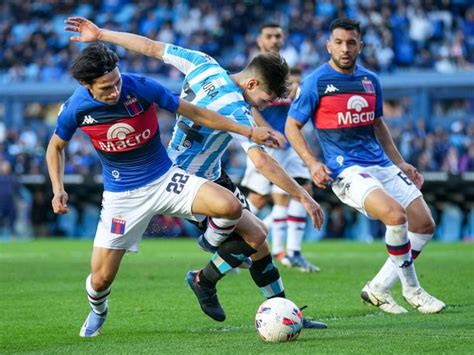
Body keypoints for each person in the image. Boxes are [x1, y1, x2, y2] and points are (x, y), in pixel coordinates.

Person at [64, 17, 326, 328]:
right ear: (252, 84)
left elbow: (150, 46)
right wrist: (303, 196)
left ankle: (278, 307)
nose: (265, 107)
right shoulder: (236, 108)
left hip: (208, 173)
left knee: (258, 240)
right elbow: (263, 163)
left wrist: (101, 34)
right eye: (267, 100)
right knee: (253, 236)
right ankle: (205, 275)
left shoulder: (203, 62)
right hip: (188, 179)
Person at [46, 42, 282, 337]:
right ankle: (98, 311)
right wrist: (58, 189)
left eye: (116, 81)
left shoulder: (141, 87)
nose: (115, 91)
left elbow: (197, 113)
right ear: (86, 85)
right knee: (101, 279)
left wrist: (248, 131)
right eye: (106, 88)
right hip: (122, 196)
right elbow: (55, 148)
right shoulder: (76, 108)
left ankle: (210, 244)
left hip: (165, 178)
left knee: (230, 206)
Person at [285, 18, 445, 314]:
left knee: (424, 224)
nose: (344, 48)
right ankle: (413, 290)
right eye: (339, 42)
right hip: (345, 170)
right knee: (396, 217)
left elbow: (378, 124)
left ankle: (378, 288)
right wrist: (312, 162)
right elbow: (292, 126)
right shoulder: (315, 82)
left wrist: (400, 162)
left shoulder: (371, 80)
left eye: (350, 42)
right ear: (328, 45)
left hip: (381, 163)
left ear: (361, 46)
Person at [241, 23, 319, 272]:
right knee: (258, 198)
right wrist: (268, 131)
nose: (274, 40)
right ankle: (229, 245)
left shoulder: (285, 69)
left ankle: (292, 252)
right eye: (269, 36)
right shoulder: (253, 67)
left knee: (304, 186)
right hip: (265, 141)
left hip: (287, 142)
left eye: (278, 36)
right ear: (259, 39)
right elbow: (249, 105)